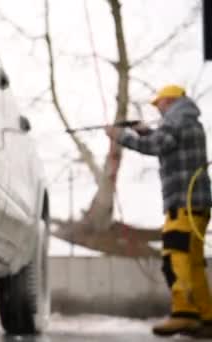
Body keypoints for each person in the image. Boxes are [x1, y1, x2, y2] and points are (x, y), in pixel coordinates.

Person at [106, 85, 212, 338]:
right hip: (196, 204)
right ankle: (205, 316)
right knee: (193, 262)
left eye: (160, 104)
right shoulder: (188, 120)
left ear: (170, 100)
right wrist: (145, 131)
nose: (159, 109)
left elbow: (156, 146)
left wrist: (120, 136)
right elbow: (166, 142)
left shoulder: (176, 120)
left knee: (175, 258)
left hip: (182, 205)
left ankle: (184, 314)